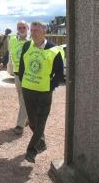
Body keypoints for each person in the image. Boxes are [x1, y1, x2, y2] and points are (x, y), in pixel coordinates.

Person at [19, 21, 64, 163]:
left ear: (44, 31)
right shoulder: (27, 45)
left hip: (44, 92)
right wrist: (23, 82)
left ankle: (31, 151)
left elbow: (59, 73)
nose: (32, 33)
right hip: (28, 90)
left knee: (41, 121)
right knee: (32, 121)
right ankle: (42, 142)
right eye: (31, 30)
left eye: (36, 30)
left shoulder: (53, 49)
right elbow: (22, 66)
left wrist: (50, 87)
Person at [9, 21, 30, 135]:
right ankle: (28, 118)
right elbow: (10, 54)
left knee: (24, 99)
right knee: (21, 98)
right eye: (19, 27)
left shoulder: (32, 42)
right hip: (17, 74)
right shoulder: (12, 41)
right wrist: (3, 63)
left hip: (28, 75)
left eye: (23, 27)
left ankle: (20, 125)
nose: (21, 29)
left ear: (27, 28)